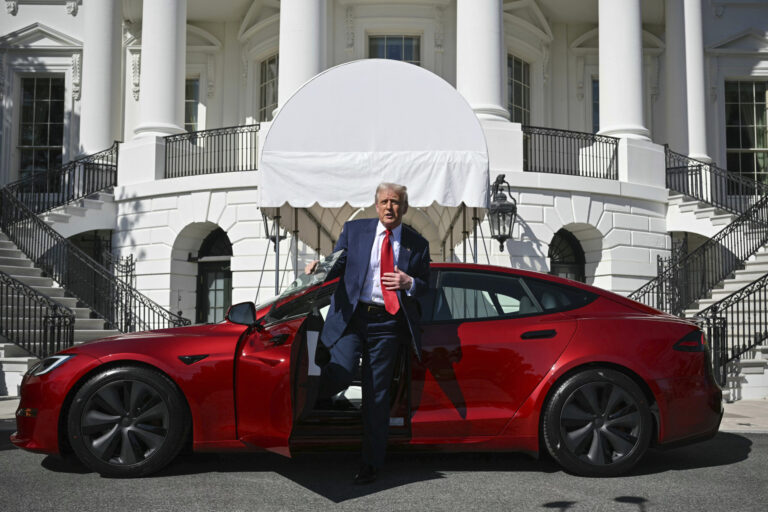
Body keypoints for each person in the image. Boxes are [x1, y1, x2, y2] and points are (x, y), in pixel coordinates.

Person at [304, 182, 430, 484]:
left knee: (377, 394)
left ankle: (371, 463)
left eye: (396, 202)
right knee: (342, 371)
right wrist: (319, 267)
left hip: (388, 323)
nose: (390, 207)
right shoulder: (355, 230)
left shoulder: (417, 244)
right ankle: (306, 408)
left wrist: (409, 282)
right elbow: (338, 265)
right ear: (376, 206)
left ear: (405, 207)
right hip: (352, 317)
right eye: (385, 201)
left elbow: (428, 288)